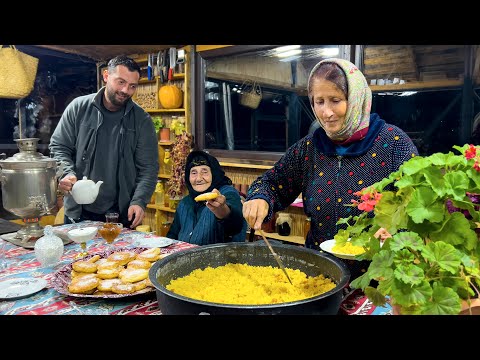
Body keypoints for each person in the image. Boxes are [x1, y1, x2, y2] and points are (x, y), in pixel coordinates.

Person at [242, 58, 419, 279]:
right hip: (319, 273)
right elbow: (271, 183)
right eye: (319, 101)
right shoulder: (309, 148)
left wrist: (398, 235)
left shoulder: (393, 144)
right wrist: (260, 198)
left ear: (356, 98)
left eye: (335, 100)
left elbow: (416, 210)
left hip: (378, 278)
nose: (326, 113)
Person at [49, 55, 159, 229]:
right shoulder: (78, 107)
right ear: (106, 76)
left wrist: (139, 201)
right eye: (121, 82)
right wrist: (66, 173)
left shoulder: (142, 120)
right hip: (78, 210)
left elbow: (148, 168)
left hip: (119, 213)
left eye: (132, 86)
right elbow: (59, 146)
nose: (125, 90)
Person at [166, 150, 247, 245]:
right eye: (194, 173)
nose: (199, 178)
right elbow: (172, 236)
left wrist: (223, 211)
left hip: (220, 258)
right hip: (185, 257)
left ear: (214, 173)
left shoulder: (227, 193)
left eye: (204, 172)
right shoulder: (185, 203)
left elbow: (235, 226)